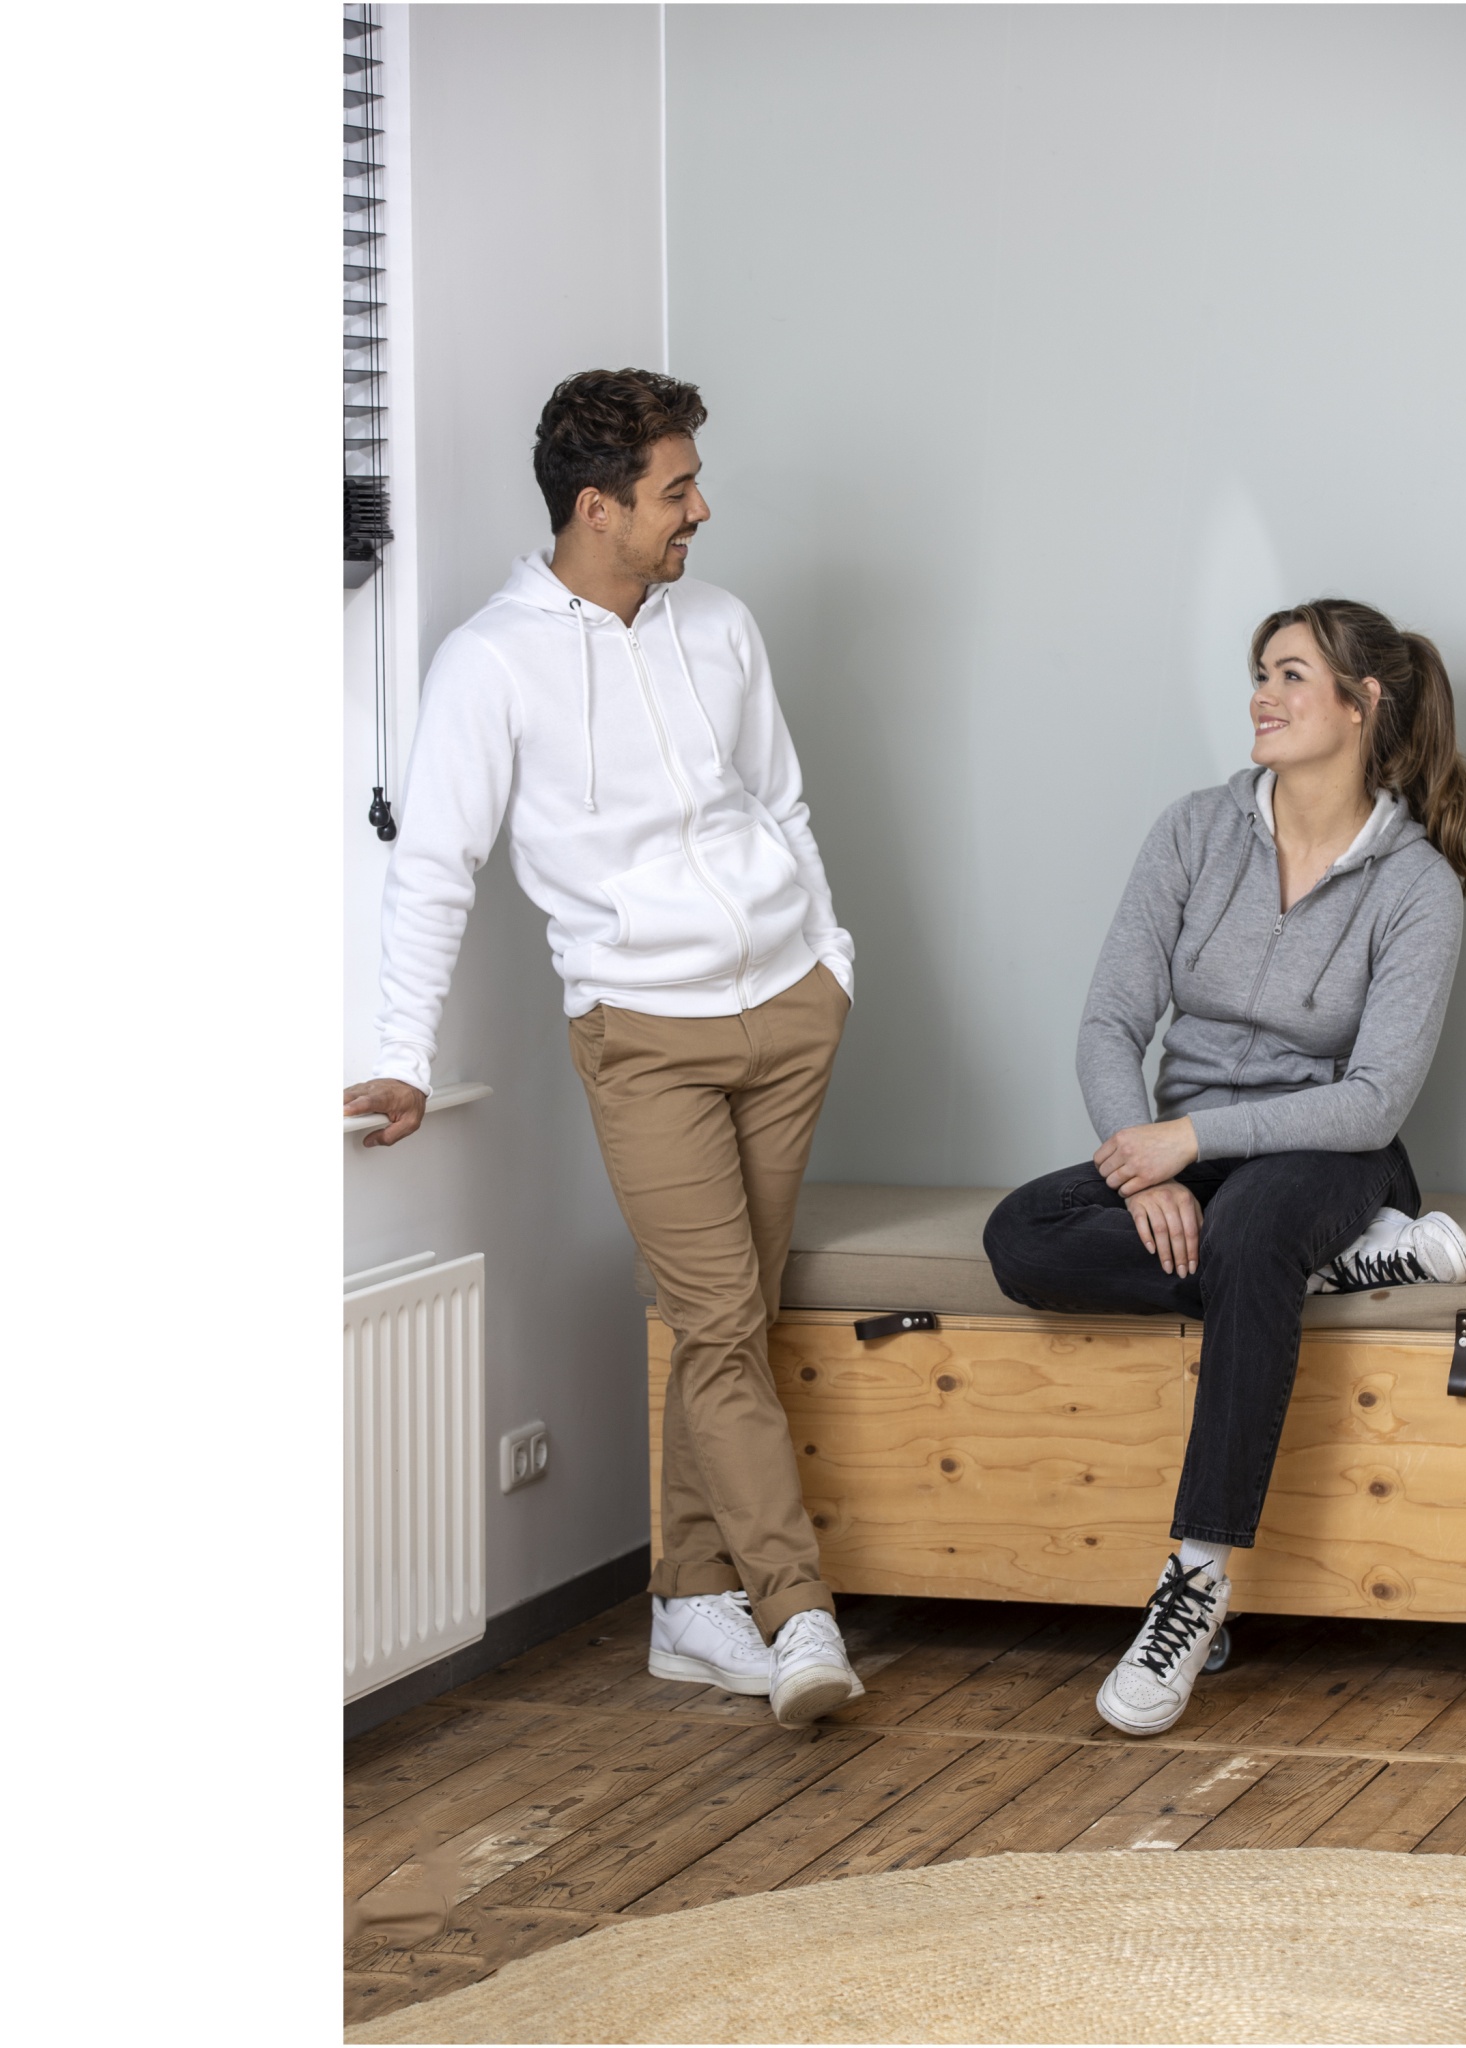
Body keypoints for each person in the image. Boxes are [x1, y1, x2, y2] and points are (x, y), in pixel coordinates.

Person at [342, 369, 864, 1727]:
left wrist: (829, 958)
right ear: (597, 508)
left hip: (787, 1008)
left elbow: (782, 802)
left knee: (725, 1317)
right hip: (644, 1033)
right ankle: (797, 1611)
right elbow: (434, 868)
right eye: (675, 489)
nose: (702, 509)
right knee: (722, 1322)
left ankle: (689, 1601)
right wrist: (403, 1052)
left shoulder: (721, 626)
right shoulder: (490, 663)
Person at [982, 599, 1466, 1737]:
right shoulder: (1193, 832)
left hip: (1331, 1153)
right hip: (1189, 1159)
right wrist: (1145, 1168)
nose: (1262, 693)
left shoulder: (1414, 885)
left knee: (1257, 1230)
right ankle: (1339, 1269)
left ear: (1362, 704)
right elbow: (1109, 1023)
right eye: (1261, 670)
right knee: (1022, 1235)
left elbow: (1373, 1096)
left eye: (1292, 674)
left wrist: (1191, 1143)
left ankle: (1196, 1579)